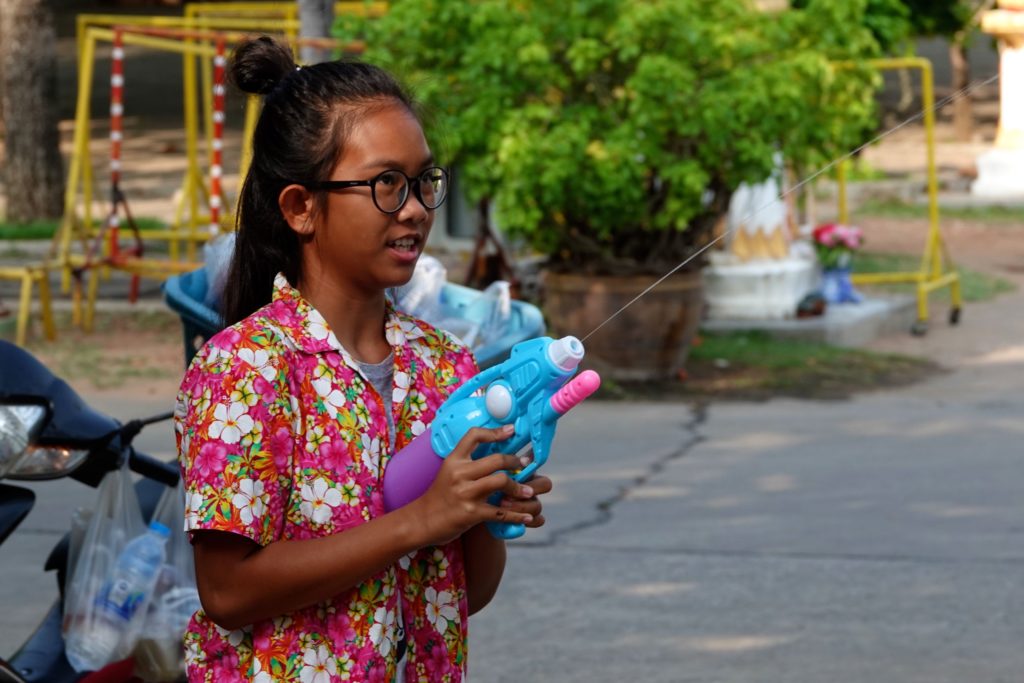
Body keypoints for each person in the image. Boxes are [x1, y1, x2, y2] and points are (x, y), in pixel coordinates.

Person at [174, 35, 551, 683]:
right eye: (385, 183)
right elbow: (228, 592)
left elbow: (464, 593)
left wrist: (484, 508)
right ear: (301, 208)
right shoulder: (246, 367)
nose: (413, 208)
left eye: (424, 180)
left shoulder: (445, 366)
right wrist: (419, 520)